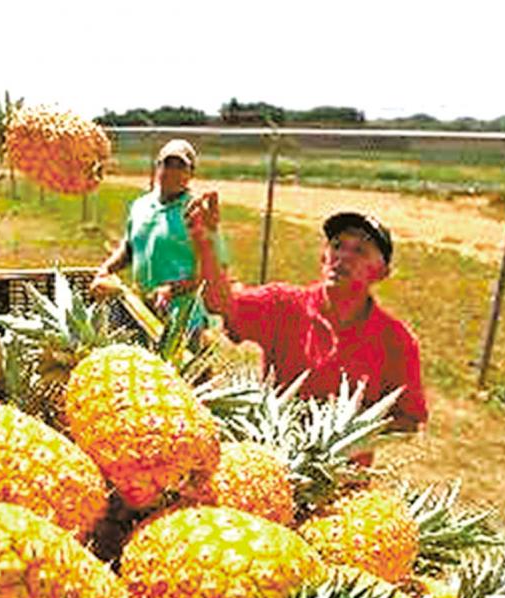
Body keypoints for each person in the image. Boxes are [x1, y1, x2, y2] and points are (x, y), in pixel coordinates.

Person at [194, 209, 428, 433]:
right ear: (323, 257)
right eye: (337, 246)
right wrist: (204, 242)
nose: (343, 256)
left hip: (344, 473)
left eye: (360, 251)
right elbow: (220, 304)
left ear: (382, 272)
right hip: (275, 461)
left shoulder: (395, 340)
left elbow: (408, 419)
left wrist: (351, 427)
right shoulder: (283, 305)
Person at [89, 139, 224, 338]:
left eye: (181, 166)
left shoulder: (196, 212)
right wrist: (106, 269)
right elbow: (129, 248)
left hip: (183, 320)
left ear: (191, 173)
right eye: (167, 164)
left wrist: (171, 290)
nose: (172, 171)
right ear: (157, 167)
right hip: (142, 311)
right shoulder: (141, 205)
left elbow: (208, 274)